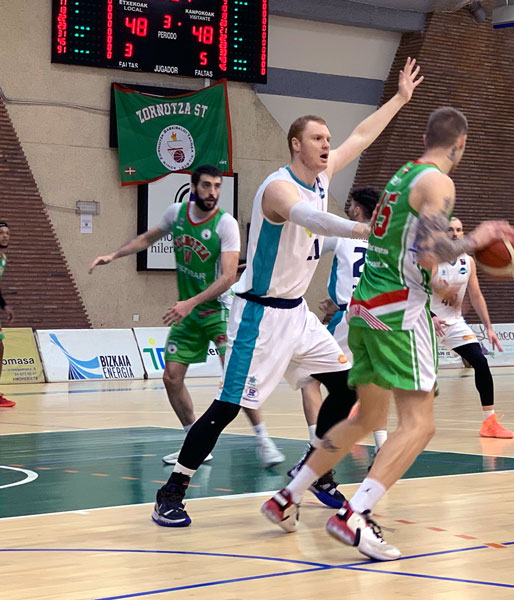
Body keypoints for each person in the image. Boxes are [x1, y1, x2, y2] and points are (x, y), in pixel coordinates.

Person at [151, 58, 423, 528]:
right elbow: (312, 218)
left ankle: (315, 469)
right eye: (318, 139)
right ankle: (171, 492)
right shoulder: (278, 188)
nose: (327, 145)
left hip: (297, 315)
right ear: (296, 144)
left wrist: (399, 99)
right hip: (258, 316)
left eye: (328, 139)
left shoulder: (321, 177)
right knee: (228, 407)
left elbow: (361, 136)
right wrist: (363, 228)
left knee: (348, 386)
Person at [261, 106, 513, 561]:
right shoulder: (439, 182)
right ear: (461, 144)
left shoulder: (402, 176)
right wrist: (476, 240)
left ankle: (287, 496)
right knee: (419, 424)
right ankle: (355, 514)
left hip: (363, 309)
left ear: (425, 138)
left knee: (367, 419)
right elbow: (430, 251)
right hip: (400, 312)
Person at [89, 166, 283, 467]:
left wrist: (190, 302)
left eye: (217, 186)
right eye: (206, 185)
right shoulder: (177, 214)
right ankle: (196, 442)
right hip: (189, 314)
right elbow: (147, 238)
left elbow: (228, 277)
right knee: (171, 377)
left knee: (235, 377)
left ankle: (264, 439)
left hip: (219, 310)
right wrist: (113, 255)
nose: (212, 192)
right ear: (193, 187)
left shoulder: (225, 224)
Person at [292, 186, 388, 500]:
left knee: (310, 381)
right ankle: (383, 447)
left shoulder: (343, 235)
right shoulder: (384, 240)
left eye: (350, 204)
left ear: (357, 210)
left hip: (349, 318)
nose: (347, 208)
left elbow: (307, 245)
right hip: (379, 319)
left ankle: (314, 455)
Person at [432, 217, 513, 438]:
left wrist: (489, 327)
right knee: (414, 374)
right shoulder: (431, 260)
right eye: (450, 229)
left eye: (459, 230)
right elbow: (416, 293)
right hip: (427, 321)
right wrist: (431, 316)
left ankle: (490, 422)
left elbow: (475, 295)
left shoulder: (468, 261)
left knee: (480, 361)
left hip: (454, 323)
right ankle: (364, 408)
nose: (454, 233)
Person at [0, 223, 15, 408]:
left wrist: (4, 306)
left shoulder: (3, 259)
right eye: (1, 233)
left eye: (7, 233)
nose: (5, 236)